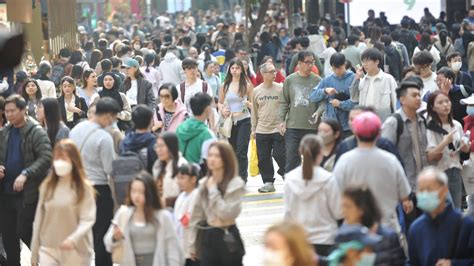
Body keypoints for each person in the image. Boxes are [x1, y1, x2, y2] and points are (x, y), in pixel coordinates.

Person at [333, 111, 413, 231]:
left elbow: (335, 195)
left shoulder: (344, 161)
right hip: (387, 228)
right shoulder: (390, 160)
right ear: (378, 133)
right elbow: (404, 194)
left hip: (355, 231)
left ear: (356, 132)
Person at [0, 95, 52, 266]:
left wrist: (26, 173)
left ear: (23, 110)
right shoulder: (5, 132)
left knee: (25, 231)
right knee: (8, 237)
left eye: (12, 111)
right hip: (6, 193)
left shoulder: (36, 131)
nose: (9, 115)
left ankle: (47, 261)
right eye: (6, 111)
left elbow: (46, 157)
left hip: (28, 194)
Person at [70, 97, 120, 266]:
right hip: (98, 190)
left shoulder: (76, 129)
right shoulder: (104, 137)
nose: (113, 122)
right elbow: (109, 169)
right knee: (101, 234)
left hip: (77, 188)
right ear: (107, 116)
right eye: (113, 118)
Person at [30, 139, 96, 265]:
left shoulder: (83, 188)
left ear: (74, 161)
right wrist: (34, 252)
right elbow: (38, 220)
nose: (59, 162)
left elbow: (88, 218)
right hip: (48, 248)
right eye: (57, 158)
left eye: (64, 159)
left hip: (77, 250)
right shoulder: (47, 186)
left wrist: (73, 239)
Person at [104, 171, 185, 266]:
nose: (136, 196)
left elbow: (172, 247)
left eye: (141, 192)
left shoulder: (163, 216)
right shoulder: (123, 214)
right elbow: (107, 243)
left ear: (150, 193)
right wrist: (114, 237)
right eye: (133, 191)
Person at [284, 134, 342, 259]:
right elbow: (338, 212)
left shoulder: (290, 178)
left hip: (300, 239)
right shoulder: (328, 179)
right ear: (321, 152)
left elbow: (288, 213)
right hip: (326, 239)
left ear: (300, 151)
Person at [189, 142, 246, 265]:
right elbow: (196, 216)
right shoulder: (204, 183)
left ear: (226, 159)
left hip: (228, 233)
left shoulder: (235, 184)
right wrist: (192, 245)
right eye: (210, 155)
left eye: (217, 156)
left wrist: (213, 190)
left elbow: (226, 213)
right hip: (209, 235)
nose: (212, 159)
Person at [408, 167, 474, 265]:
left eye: (429, 189)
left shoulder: (466, 224)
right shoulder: (415, 229)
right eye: (421, 191)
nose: (424, 194)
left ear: (444, 190)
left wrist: (453, 264)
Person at [425, 91, 470, 209]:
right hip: (438, 173)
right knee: (440, 210)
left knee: (456, 209)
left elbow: (462, 153)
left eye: (447, 101)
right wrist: (444, 142)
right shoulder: (430, 128)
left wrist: (465, 148)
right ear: (432, 107)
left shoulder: (457, 125)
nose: (445, 105)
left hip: (456, 171)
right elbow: (429, 156)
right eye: (440, 102)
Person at [382, 80, 429, 190]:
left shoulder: (422, 120)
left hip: (423, 185)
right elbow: (384, 155)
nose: (418, 98)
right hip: (402, 186)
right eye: (414, 95)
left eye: (419, 95)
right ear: (402, 99)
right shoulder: (393, 122)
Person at [280, 51, 322, 173]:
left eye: (312, 62)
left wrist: (318, 112)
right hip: (293, 126)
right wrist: (281, 121)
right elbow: (284, 102)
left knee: (313, 159)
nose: (310, 65)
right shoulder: (290, 80)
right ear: (299, 63)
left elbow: (323, 102)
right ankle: (291, 185)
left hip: (312, 127)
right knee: (292, 159)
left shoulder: (318, 80)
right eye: (307, 62)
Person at [341, 187, 406, 265]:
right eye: (343, 206)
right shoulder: (345, 237)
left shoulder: (388, 237)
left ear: (361, 208)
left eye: (347, 207)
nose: (343, 211)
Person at [251, 62, 286, 193]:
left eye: (275, 71)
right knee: (263, 157)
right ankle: (268, 182)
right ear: (263, 74)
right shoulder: (256, 91)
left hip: (278, 129)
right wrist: (253, 129)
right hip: (262, 129)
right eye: (271, 71)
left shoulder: (281, 89)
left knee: (280, 154)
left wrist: (285, 123)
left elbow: (286, 107)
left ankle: (287, 176)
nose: (275, 74)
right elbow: (254, 111)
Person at [218, 58, 253, 181]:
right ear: (229, 70)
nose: (234, 70)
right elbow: (220, 103)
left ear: (242, 70)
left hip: (244, 120)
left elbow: (253, 103)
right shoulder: (224, 85)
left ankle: (242, 178)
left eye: (237, 68)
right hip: (230, 122)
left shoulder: (247, 85)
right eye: (232, 68)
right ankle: (234, 176)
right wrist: (222, 110)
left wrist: (250, 105)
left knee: (241, 151)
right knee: (232, 151)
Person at [336, 105, 403, 165]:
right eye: (351, 119)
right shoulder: (344, 146)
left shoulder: (385, 145)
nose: (354, 122)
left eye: (358, 119)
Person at [310, 53, 355, 137]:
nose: (337, 71)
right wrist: (324, 91)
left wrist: (340, 104)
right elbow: (312, 96)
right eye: (334, 69)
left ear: (345, 64)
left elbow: (357, 103)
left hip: (348, 126)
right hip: (331, 126)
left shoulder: (353, 79)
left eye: (340, 68)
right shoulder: (328, 79)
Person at [350, 48, 397, 121]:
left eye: (367, 61)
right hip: (365, 122)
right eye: (363, 61)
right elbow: (354, 98)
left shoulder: (388, 79)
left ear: (377, 62)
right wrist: (356, 79)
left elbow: (395, 101)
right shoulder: (363, 80)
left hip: (384, 122)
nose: (364, 64)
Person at [176, 93, 216, 165]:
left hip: (179, 171)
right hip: (196, 173)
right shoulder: (207, 134)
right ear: (207, 109)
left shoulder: (180, 128)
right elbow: (209, 162)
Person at [174, 163, 200, 266]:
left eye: (182, 178)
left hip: (192, 249)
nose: (179, 181)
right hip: (181, 247)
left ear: (193, 179)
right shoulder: (181, 196)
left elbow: (190, 221)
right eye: (178, 178)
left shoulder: (196, 196)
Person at [152, 132, 187, 207]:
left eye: (162, 146)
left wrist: (166, 202)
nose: (158, 150)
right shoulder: (158, 165)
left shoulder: (181, 165)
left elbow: (186, 195)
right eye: (157, 146)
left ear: (171, 146)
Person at [120, 105, 157, 173]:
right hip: (147, 179)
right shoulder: (153, 141)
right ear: (151, 121)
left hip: (127, 179)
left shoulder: (125, 141)